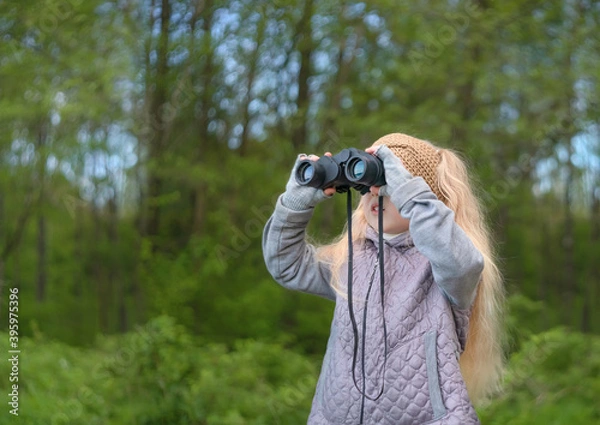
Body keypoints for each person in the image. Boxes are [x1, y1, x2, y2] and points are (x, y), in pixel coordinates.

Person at [262, 133, 504, 424]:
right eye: (367, 187)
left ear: (421, 195)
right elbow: (286, 265)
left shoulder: (443, 263)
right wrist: (295, 202)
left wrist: (409, 193)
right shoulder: (350, 258)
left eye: (389, 185)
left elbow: (464, 264)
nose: (376, 194)